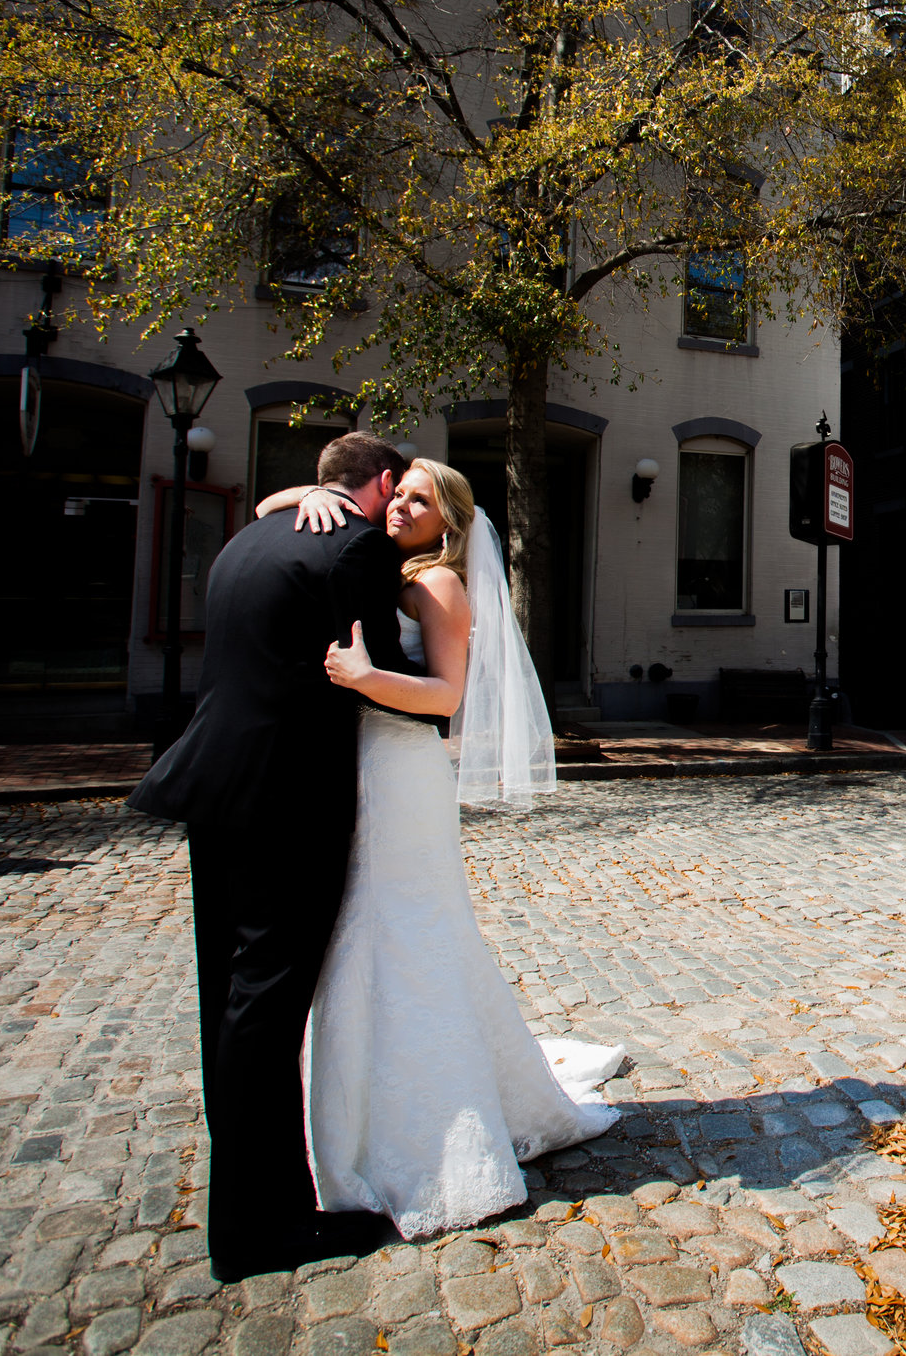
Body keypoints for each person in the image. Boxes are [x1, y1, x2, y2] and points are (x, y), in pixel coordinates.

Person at [259, 457, 620, 1238]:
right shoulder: (387, 564)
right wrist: (314, 492)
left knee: (403, 932)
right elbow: (267, 503)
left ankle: (425, 1122)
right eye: (399, 493)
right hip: (367, 768)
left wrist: (362, 677)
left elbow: (447, 697)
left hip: (404, 777)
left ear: (448, 524)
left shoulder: (439, 586)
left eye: (419, 500)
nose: (400, 506)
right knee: (373, 931)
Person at [127, 431, 419, 1282]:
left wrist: (284, 496)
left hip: (209, 784)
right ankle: (262, 1230)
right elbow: (382, 675)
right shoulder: (357, 544)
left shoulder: (248, 536)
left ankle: (244, 1207)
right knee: (267, 1001)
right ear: (386, 481)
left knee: (227, 993)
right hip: (287, 799)